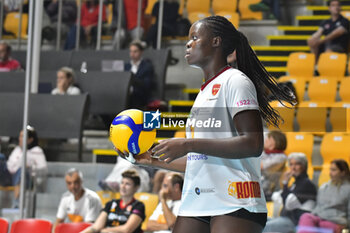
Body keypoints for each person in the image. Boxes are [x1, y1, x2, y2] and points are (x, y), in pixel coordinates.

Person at [117, 15, 296, 233]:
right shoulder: (203, 93)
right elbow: (198, 160)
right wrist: (149, 159)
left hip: (235, 199)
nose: (188, 43)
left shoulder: (236, 81)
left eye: (194, 37)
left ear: (216, 41)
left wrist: (188, 144)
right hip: (197, 200)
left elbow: (253, 143)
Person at [263, 153, 317, 233]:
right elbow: (279, 196)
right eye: (291, 164)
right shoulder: (295, 184)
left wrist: (285, 183)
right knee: (258, 222)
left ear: (304, 166)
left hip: (294, 222)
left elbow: (288, 204)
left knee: (264, 228)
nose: (293, 168)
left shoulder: (307, 184)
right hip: (285, 219)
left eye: (297, 164)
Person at [80, 170, 145, 233]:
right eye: (122, 183)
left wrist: (105, 230)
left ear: (136, 187)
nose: (123, 186)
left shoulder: (138, 206)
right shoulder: (111, 204)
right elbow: (96, 227)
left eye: (127, 184)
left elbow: (126, 230)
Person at [0, 126, 47, 208]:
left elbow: (42, 169)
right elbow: (9, 165)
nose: (19, 138)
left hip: (26, 179)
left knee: (22, 171)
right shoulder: (17, 150)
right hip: (9, 176)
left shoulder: (37, 151)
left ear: (30, 139)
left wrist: (30, 167)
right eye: (20, 136)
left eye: (22, 136)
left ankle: (16, 204)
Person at [297, 159, 350, 233]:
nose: (330, 173)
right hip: (318, 218)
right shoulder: (324, 187)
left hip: (335, 221)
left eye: (334, 170)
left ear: (343, 172)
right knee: (305, 216)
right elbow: (318, 207)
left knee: (322, 226)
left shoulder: (348, 189)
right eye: (330, 170)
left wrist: (346, 226)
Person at [53, 168, 102, 232]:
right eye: (69, 183)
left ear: (81, 181)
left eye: (75, 182)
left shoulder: (92, 199)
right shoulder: (65, 197)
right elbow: (58, 222)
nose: (72, 186)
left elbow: (90, 228)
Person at [124, 40, 155, 109]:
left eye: (135, 51)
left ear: (141, 52)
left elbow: (146, 85)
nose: (132, 54)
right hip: (125, 94)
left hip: (140, 96)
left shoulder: (147, 66)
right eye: (131, 51)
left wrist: (132, 78)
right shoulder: (126, 66)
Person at [260, 130, 288, 200]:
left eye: (269, 138)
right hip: (259, 186)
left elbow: (260, 166)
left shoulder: (281, 157)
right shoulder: (264, 152)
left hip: (269, 191)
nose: (266, 140)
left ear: (275, 142)